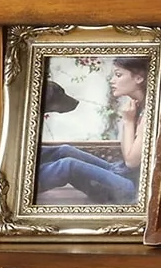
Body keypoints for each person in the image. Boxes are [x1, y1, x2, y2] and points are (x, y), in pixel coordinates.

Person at [35, 55, 151, 205]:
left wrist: (128, 122)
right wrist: (128, 120)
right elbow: (126, 155)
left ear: (139, 78)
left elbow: (131, 161)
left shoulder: (150, 113)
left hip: (132, 189)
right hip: (120, 172)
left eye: (118, 75)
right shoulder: (135, 107)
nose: (112, 80)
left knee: (68, 165)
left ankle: (26, 183)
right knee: (64, 150)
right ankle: (22, 167)